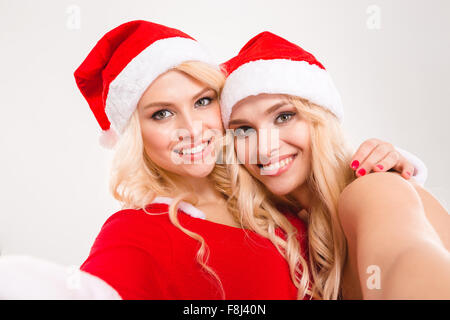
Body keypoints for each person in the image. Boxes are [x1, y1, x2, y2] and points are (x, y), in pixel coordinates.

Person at [0, 20, 426, 300]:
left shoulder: (267, 193)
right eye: (161, 113)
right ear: (135, 137)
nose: (192, 128)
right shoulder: (138, 231)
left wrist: (387, 169)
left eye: (202, 101)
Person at [220, 31, 450, 299]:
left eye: (284, 116)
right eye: (244, 130)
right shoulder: (295, 225)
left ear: (321, 119)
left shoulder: (371, 189)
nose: (264, 148)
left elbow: (404, 259)